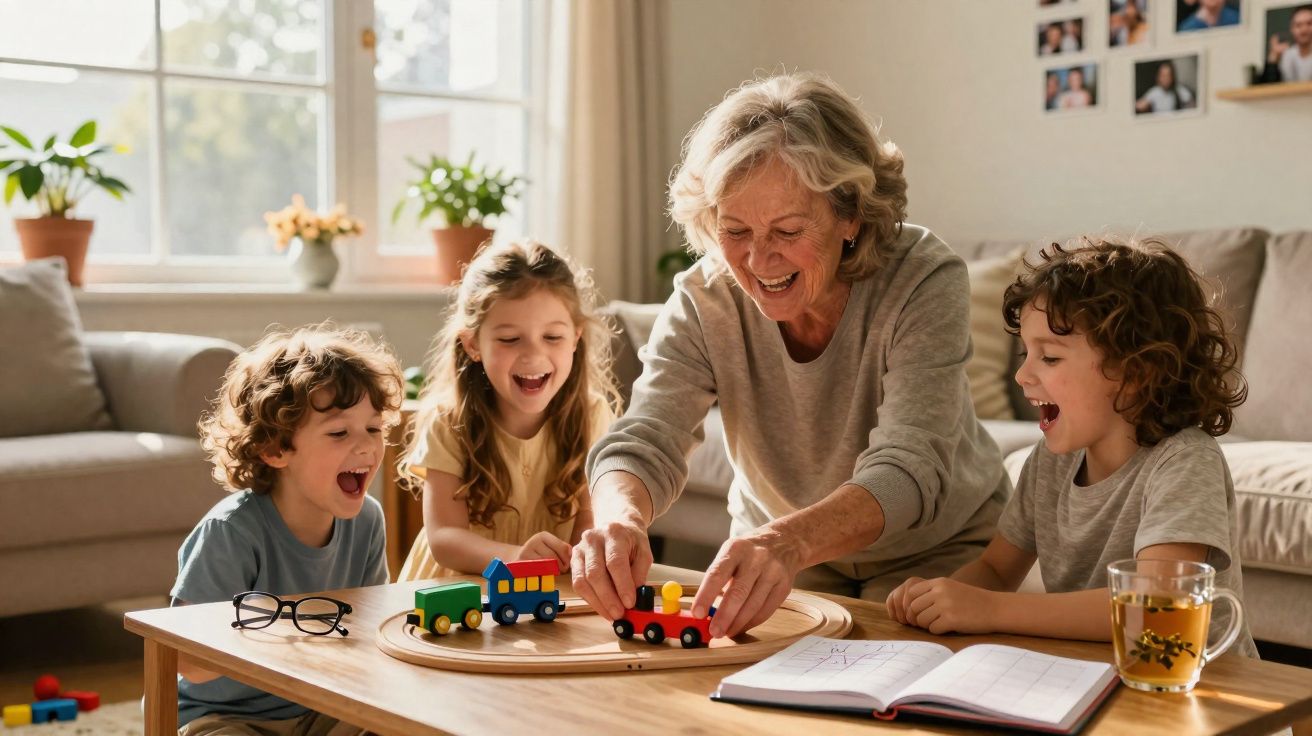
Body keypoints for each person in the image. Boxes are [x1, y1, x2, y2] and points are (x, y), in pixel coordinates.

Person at [574, 72, 1009, 641]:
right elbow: (645, 436)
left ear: (850, 215)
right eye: (734, 229)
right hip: (785, 553)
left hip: (934, 548)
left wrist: (786, 541)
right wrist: (619, 520)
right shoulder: (705, 299)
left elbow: (910, 468)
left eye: (787, 228)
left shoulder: (922, 277)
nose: (758, 258)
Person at [885, 239, 1258, 659]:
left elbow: (1157, 609)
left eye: (1049, 357)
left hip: (1205, 692)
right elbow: (994, 569)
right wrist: (941, 599)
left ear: (1136, 369)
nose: (1023, 374)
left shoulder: (1184, 462)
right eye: (1027, 353)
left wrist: (991, 609)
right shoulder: (1050, 461)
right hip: (1102, 679)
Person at [174, 325, 404, 735]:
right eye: (338, 432)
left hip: (322, 706)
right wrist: (286, 632)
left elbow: (370, 637)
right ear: (275, 449)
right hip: (226, 717)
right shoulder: (231, 533)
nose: (367, 447)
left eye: (374, 428)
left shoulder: (367, 520)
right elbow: (187, 661)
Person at [396, 240, 621, 580]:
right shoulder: (448, 421)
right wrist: (517, 558)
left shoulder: (593, 415)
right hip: (457, 593)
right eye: (510, 339)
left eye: (552, 337)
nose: (533, 355)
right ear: (473, 344)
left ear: (575, 338)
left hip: (546, 596)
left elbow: (590, 525)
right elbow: (443, 538)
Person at [1262, 4, 1312, 82]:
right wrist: (1273, 57)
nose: (1304, 29)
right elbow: (1268, 88)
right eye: (1298, 25)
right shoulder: (1287, 55)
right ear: (1292, 29)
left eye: (1309, 23)